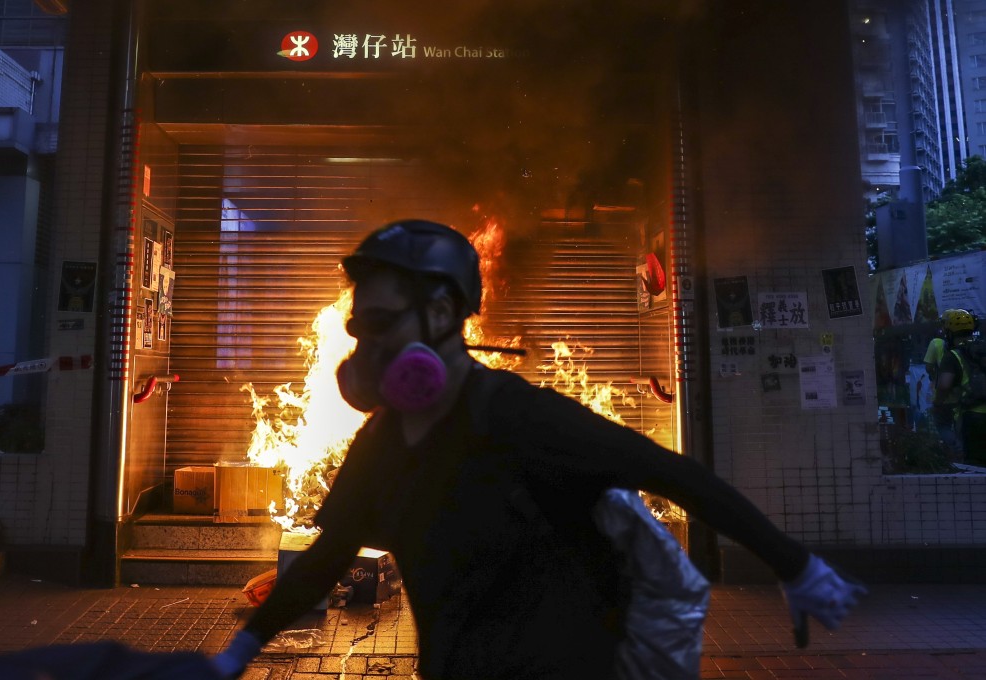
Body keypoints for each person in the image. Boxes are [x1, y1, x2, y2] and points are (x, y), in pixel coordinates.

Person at [213, 219, 864, 680]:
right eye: (359, 329)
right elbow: (328, 558)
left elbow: (669, 472)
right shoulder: (383, 439)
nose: (363, 348)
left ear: (443, 316)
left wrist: (792, 565)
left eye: (382, 325)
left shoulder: (521, 418)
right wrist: (238, 653)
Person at [934, 308, 986, 465]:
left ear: (949, 333)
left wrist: (938, 403)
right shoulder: (983, 350)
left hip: (971, 417)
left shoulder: (953, 355)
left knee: (974, 466)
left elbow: (944, 385)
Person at [924, 330, 959, 451]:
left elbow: (928, 367)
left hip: (943, 399)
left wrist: (935, 377)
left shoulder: (936, 344)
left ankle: (955, 451)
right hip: (966, 398)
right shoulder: (969, 346)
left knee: (943, 426)